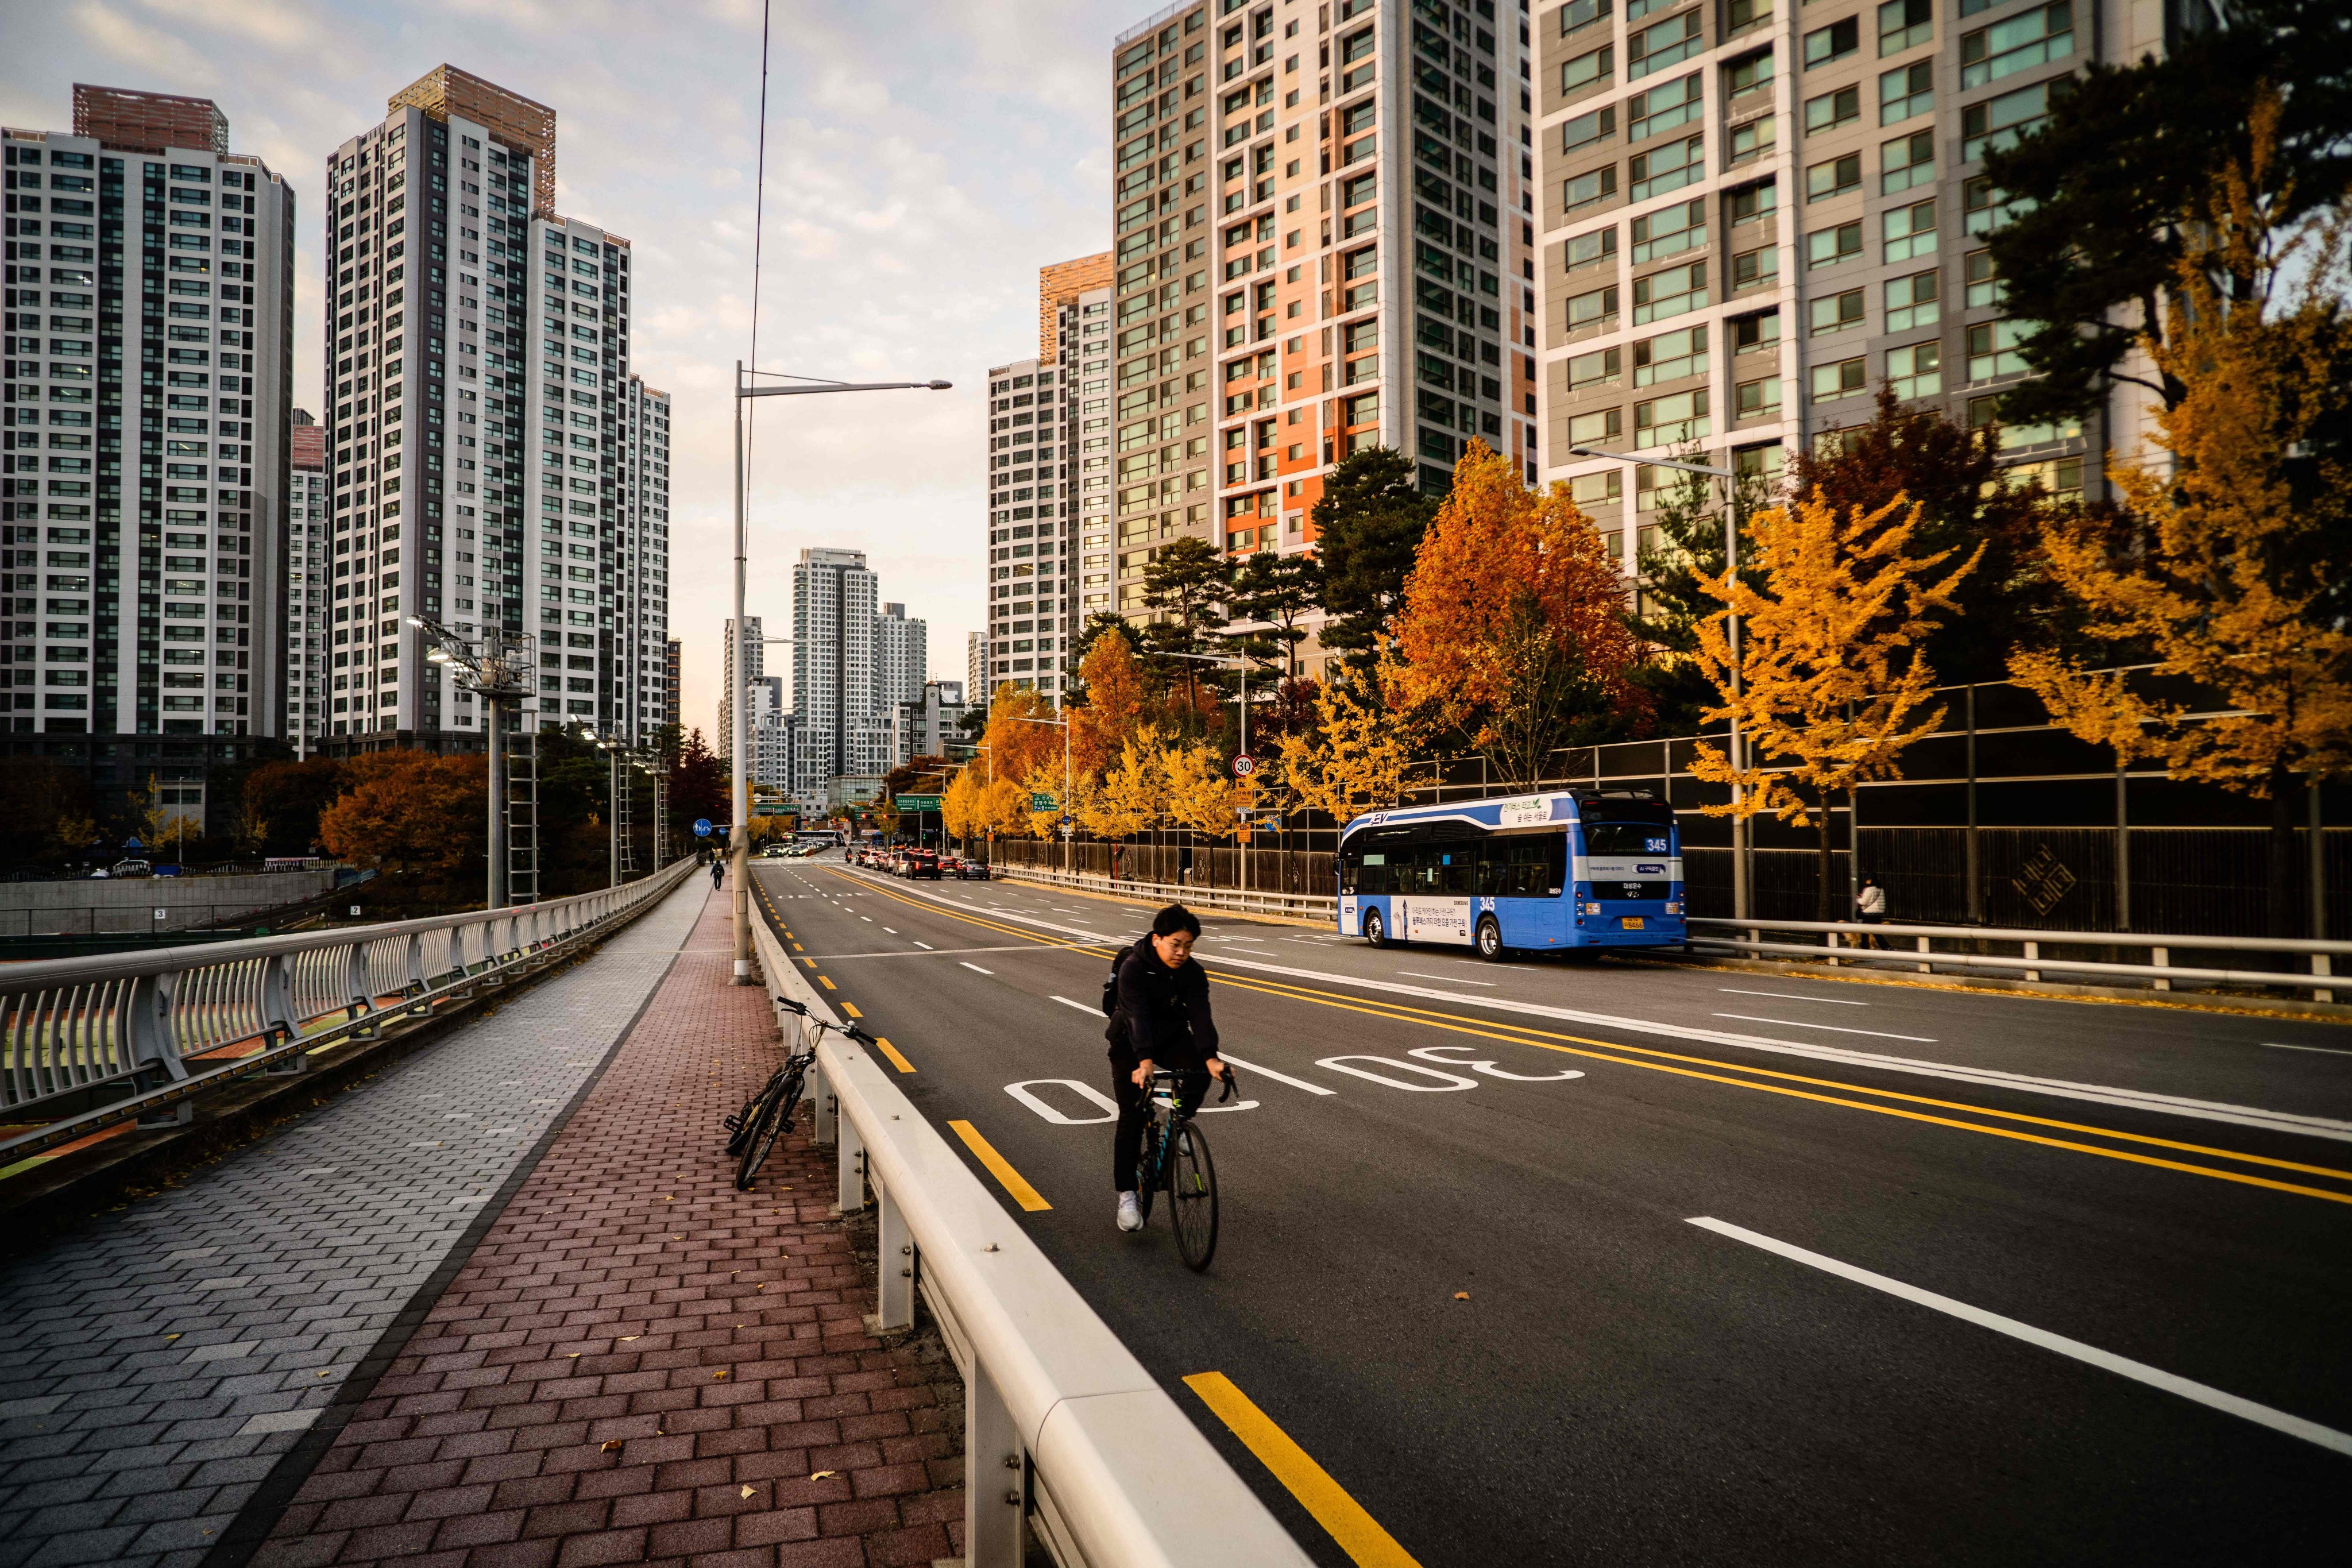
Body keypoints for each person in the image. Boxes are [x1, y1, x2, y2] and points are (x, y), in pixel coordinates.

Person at [1105, 903, 1226, 1233]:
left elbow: (1201, 1015)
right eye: (1176, 944)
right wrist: (1144, 1062)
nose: (1182, 952)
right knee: (1131, 1115)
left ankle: (1179, 1123)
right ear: (1157, 939)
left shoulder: (1193, 972)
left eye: (1188, 946)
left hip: (1171, 1037)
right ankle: (1127, 1194)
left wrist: (1211, 1057)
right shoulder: (1133, 968)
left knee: (1201, 1072)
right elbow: (1137, 1018)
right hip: (1130, 1042)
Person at [1855, 875, 1888, 948]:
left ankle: (1865, 948)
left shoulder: (1869, 889)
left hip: (1869, 914)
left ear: (1870, 880)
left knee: (1865, 932)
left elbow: (1864, 902)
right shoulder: (1881, 889)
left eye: (1868, 879)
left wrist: (1858, 899)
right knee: (1877, 932)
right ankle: (1887, 947)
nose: (1866, 881)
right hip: (1878, 914)